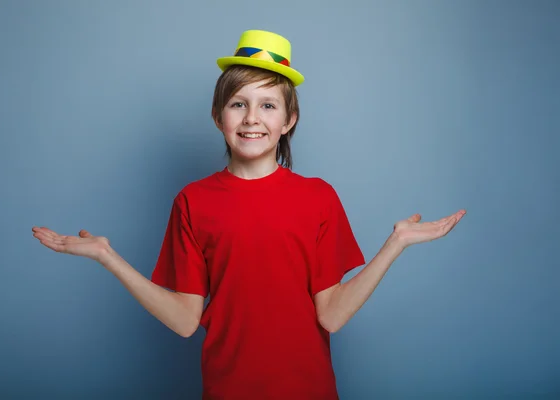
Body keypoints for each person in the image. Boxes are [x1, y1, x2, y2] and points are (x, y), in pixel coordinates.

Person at [32, 30, 466, 399]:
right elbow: (185, 321)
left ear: (289, 119)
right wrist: (108, 256)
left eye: (268, 105)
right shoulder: (192, 201)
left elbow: (331, 315)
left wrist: (395, 245)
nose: (251, 118)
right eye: (238, 104)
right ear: (218, 116)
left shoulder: (318, 198)